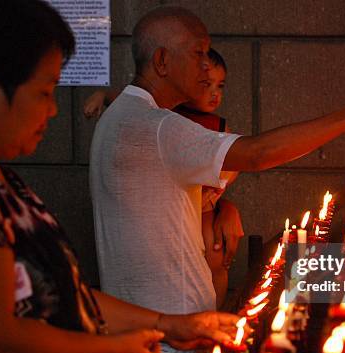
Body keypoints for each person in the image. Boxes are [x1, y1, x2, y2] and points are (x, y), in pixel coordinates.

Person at [0, 1, 239, 353]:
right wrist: (110, 350)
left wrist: (168, 324)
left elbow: (63, 297)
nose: (53, 109)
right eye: (43, 92)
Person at [89, 3, 345, 353]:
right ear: (161, 61)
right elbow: (256, 154)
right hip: (169, 348)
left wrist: (225, 207)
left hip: (148, 338)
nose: (207, 67)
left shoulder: (121, 116)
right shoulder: (157, 127)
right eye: (198, 54)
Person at [85, 48, 240, 309]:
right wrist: (101, 94)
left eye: (220, 86)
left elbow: (232, 163)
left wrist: (221, 202)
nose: (214, 92)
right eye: (205, 83)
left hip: (205, 205)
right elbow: (126, 97)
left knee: (215, 257)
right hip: (163, 273)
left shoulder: (218, 125)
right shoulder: (164, 119)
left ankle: (217, 309)